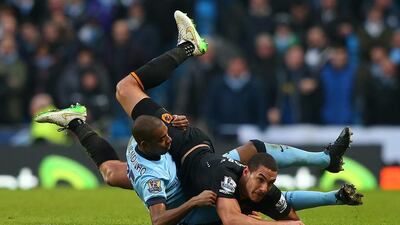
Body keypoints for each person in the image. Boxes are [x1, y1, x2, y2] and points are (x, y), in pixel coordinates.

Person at [36, 11, 362, 225]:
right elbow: (234, 217)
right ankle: (188, 47)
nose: (266, 188)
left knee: (111, 173)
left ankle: (76, 121)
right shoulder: (226, 184)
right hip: (187, 147)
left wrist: (332, 198)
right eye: (263, 181)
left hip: (188, 160)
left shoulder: (246, 186)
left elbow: (281, 204)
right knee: (125, 89)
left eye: (266, 183)